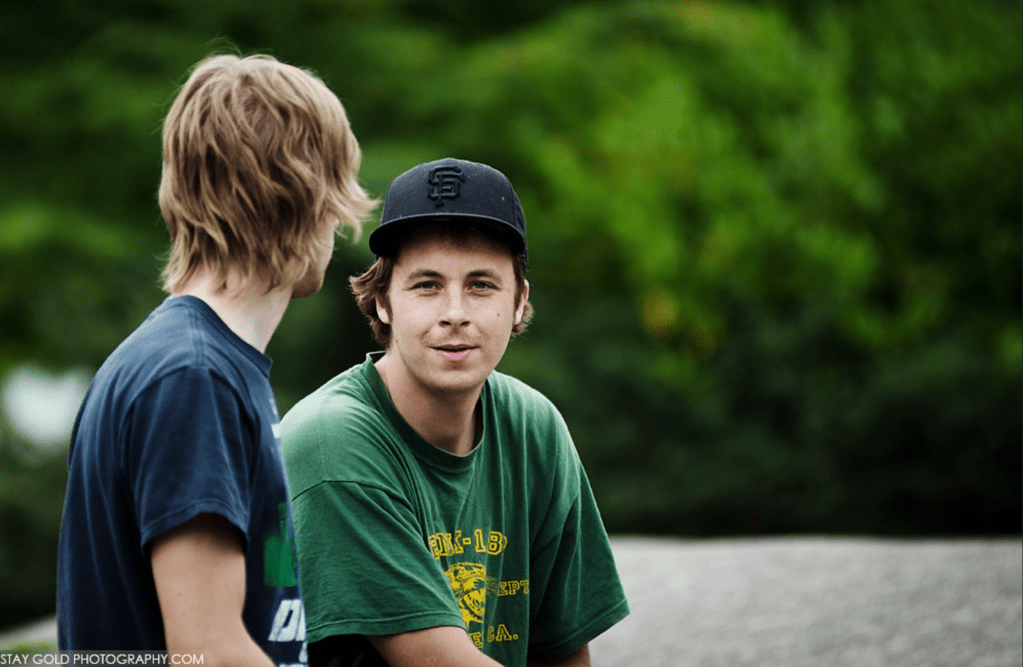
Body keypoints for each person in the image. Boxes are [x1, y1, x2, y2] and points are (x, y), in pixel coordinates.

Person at [56, 54, 376, 665]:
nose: (341, 220)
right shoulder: (192, 378)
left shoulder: (195, 362)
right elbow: (208, 650)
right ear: (303, 196)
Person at [281, 157, 629, 667]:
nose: (455, 313)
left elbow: (562, 651)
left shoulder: (534, 429)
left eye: (481, 285)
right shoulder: (330, 439)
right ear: (383, 301)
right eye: (427, 285)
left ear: (519, 301)